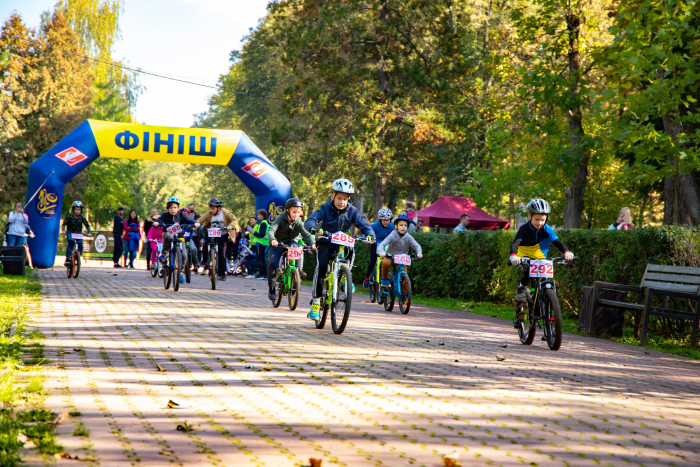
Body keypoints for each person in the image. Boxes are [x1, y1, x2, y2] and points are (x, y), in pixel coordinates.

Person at [304, 178, 375, 321]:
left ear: (349, 199)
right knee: (322, 267)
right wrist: (313, 228)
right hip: (326, 241)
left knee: (351, 250)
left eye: (345, 199)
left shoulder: (353, 211)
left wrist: (370, 235)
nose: (342, 201)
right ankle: (316, 302)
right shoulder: (325, 208)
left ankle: (346, 277)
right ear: (332, 196)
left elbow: (365, 226)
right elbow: (310, 220)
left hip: (344, 242)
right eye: (339, 198)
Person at [509, 199, 574, 305]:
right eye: (537, 219)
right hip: (523, 254)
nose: (540, 223)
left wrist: (566, 252)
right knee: (530, 267)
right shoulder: (523, 229)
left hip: (539, 256)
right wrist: (513, 256)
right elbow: (515, 243)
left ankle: (545, 299)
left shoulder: (547, 229)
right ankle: (522, 286)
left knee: (545, 278)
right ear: (530, 216)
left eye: (543, 220)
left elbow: (557, 242)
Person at [266, 198, 316, 300]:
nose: (296, 215)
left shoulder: (298, 222)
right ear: (287, 210)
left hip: (291, 242)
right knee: (272, 263)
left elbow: (306, 234)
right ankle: (272, 289)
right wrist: (272, 240)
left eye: (298, 213)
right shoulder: (280, 218)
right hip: (277, 243)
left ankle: (298, 272)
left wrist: (313, 243)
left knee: (298, 248)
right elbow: (271, 230)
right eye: (294, 212)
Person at [377, 214, 423, 307]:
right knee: (385, 263)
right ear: (396, 226)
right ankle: (385, 279)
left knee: (404, 274)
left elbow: (416, 245)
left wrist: (419, 253)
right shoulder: (393, 235)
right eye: (401, 225)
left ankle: (405, 295)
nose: (403, 227)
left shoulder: (408, 236)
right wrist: (381, 252)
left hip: (402, 258)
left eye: (405, 226)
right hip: (391, 256)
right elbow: (382, 244)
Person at [194, 198, 239, 281]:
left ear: (219, 208)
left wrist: (230, 226)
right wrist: (196, 223)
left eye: (213, 208)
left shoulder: (225, 212)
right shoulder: (209, 213)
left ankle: (222, 274)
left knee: (221, 253)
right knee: (205, 244)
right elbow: (202, 219)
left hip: (222, 234)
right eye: (210, 208)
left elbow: (234, 220)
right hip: (212, 233)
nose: (211, 210)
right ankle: (204, 260)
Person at [153, 197, 196, 265]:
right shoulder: (165, 215)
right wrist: (157, 223)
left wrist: (195, 223)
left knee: (184, 256)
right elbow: (159, 220)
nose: (173, 209)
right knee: (167, 236)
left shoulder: (182, 215)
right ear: (167, 208)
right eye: (170, 208)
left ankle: (181, 270)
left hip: (179, 236)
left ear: (178, 208)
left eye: (175, 207)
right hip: (168, 235)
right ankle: (164, 254)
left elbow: (190, 220)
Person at [364, 208, 395, 288]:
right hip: (375, 244)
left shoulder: (392, 226)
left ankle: (389, 278)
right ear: (380, 220)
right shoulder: (374, 225)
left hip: (387, 246)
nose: (386, 222)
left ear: (390, 219)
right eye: (383, 220)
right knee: (372, 262)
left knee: (391, 261)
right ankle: (367, 277)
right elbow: (367, 232)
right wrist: (366, 239)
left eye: (387, 220)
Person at [63, 201, 92, 266]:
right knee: (71, 242)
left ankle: (78, 257)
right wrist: (63, 230)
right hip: (70, 232)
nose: (77, 211)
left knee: (80, 244)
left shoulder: (82, 218)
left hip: (78, 234)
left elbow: (87, 225)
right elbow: (64, 224)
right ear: (73, 210)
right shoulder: (69, 217)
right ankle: (67, 259)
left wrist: (89, 232)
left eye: (79, 209)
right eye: (76, 209)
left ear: (81, 210)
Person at [252, 210, 270, 279]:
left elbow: (261, 234)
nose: (258, 216)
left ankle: (262, 274)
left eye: (258, 215)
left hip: (261, 244)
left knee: (260, 259)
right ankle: (263, 274)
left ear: (262, 215)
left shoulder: (263, 223)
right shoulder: (264, 223)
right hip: (263, 244)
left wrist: (254, 233)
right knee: (261, 259)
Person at [186, 203, 202, 269]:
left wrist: (201, 237)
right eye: (190, 208)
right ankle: (188, 265)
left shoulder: (198, 216)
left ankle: (196, 266)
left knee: (196, 250)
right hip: (187, 235)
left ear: (194, 208)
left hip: (196, 236)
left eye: (192, 208)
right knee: (187, 250)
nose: (191, 209)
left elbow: (200, 225)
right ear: (188, 209)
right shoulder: (185, 216)